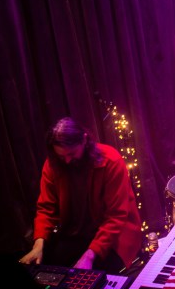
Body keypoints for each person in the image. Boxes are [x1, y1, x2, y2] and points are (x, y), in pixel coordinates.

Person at [19, 117, 142, 273]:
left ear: (84, 140)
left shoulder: (111, 160)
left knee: (94, 277)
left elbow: (116, 217)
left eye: (71, 154)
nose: (67, 161)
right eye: (62, 157)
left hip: (115, 238)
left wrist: (89, 256)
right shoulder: (52, 164)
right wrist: (38, 245)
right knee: (48, 271)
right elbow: (46, 209)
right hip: (75, 235)